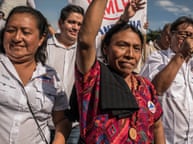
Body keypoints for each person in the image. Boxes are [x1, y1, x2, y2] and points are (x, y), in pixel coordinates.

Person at [75, 0, 165, 143]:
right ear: (105, 49)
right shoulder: (95, 78)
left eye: (136, 48)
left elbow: (157, 125)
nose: (130, 54)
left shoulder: (146, 86)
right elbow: (85, 41)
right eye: (122, 45)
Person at [0, 6, 71, 144]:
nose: (17, 37)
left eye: (25, 32)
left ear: (40, 39)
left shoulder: (51, 77)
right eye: (10, 30)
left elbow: (61, 120)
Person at [45, 4, 84, 144]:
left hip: (73, 125)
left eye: (80, 24)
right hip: (41, 122)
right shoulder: (43, 47)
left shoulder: (84, 52)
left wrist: (124, 18)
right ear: (60, 23)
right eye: (71, 22)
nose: (76, 27)